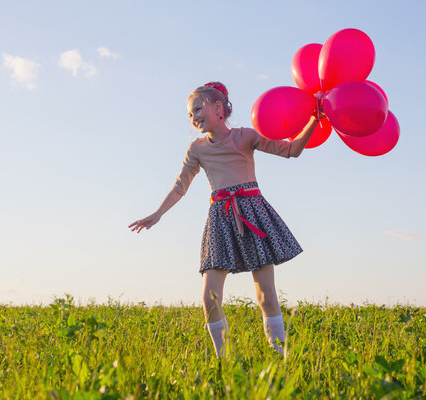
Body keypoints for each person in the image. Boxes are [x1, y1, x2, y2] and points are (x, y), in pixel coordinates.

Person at [129, 82, 322, 357]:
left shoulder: (245, 137)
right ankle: (225, 361)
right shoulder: (196, 148)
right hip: (221, 217)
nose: (193, 117)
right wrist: (157, 214)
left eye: (198, 108)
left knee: (266, 295)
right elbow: (179, 186)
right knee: (209, 297)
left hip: (253, 213)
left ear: (218, 107)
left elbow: (291, 150)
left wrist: (315, 118)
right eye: (189, 114)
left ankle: (279, 356)